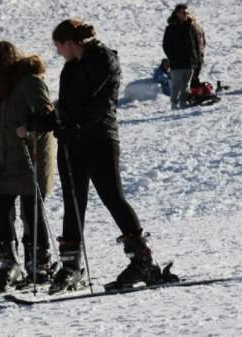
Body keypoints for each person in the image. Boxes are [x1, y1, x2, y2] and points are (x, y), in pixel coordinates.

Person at [45, 19, 172, 294]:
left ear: (70, 42)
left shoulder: (103, 60)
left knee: (112, 197)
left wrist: (76, 126)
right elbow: (65, 107)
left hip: (99, 139)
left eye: (59, 46)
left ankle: (143, 262)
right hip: (73, 144)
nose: (58, 53)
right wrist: (46, 121)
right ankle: (70, 267)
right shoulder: (70, 68)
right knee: (73, 202)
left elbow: (103, 103)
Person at [0, 41, 57, 291]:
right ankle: (9, 262)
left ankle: (38, 261)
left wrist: (29, 128)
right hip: (8, 158)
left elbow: (48, 117)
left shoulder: (30, 82)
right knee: (1, 206)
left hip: (31, 155)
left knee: (30, 209)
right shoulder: (4, 89)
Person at [163, 4, 204, 109]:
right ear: (177, 14)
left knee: (186, 85)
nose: (185, 14)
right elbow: (166, 45)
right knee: (176, 85)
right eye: (183, 12)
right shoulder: (171, 28)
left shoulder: (191, 27)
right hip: (177, 62)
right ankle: (174, 104)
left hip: (190, 62)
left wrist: (198, 59)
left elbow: (197, 44)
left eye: (187, 12)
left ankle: (183, 102)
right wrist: (173, 58)